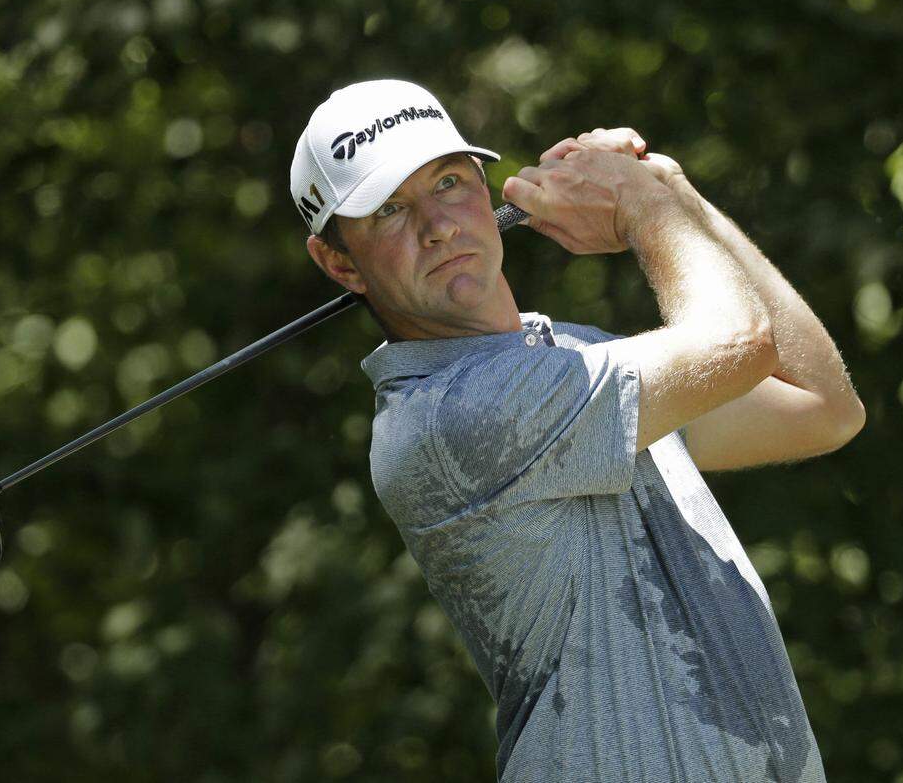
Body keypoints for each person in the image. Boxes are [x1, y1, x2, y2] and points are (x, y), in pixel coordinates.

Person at [290, 79, 865, 783]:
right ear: (339, 261)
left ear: (485, 187)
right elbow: (738, 340)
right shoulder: (448, 417)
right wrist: (640, 206)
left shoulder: (579, 357)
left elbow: (822, 405)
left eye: (447, 181)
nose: (437, 225)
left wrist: (674, 193)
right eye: (388, 211)